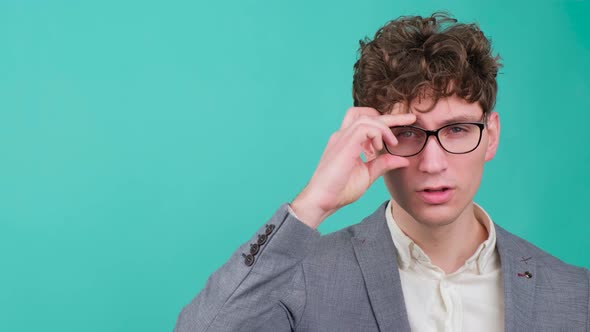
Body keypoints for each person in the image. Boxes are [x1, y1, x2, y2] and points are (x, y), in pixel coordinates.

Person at [174, 13, 589, 331]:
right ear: (371, 135)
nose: (432, 163)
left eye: (458, 130)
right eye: (407, 133)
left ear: (491, 136)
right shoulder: (301, 275)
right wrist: (312, 204)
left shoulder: (575, 294)